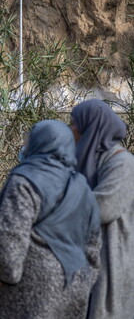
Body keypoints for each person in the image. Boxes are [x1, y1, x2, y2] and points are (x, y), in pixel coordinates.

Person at [0, 120, 101, 318]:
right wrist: (86, 277)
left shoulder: (24, 181)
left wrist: (3, 276)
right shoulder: (81, 184)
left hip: (30, 286)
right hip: (75, 282)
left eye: (28, 141)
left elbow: (10, 235)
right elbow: (93, 240)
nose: (24, 146)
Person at [70, 99, 133, 319]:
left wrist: (60, 207)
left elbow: (103, 207)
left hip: (112, 258)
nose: (72, 129)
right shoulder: (86, 161)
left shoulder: (123, 164)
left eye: (75, 123)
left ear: (91, 126)